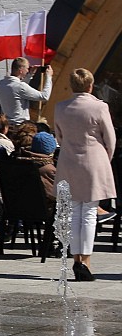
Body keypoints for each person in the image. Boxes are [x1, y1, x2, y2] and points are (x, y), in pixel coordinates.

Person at [54, 69, 117, 281]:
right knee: (89, 214)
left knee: (74, 213)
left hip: (69, 160)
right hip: (93, 159)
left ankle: (76, 260)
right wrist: (105, 158)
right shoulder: (99, 106)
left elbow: (59, 136)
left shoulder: (61, 107)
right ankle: (86, 261)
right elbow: (110, 138)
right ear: (90, 85)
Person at [0, 57, 52, 126]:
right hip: (20, 125)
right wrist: (48, 77)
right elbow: (44, 96)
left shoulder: (2, 83)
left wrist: (30, 75)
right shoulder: (20, 86)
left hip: (7, 124)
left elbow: (18, 89)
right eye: (27, 68)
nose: (27, 71)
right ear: (21, 70)